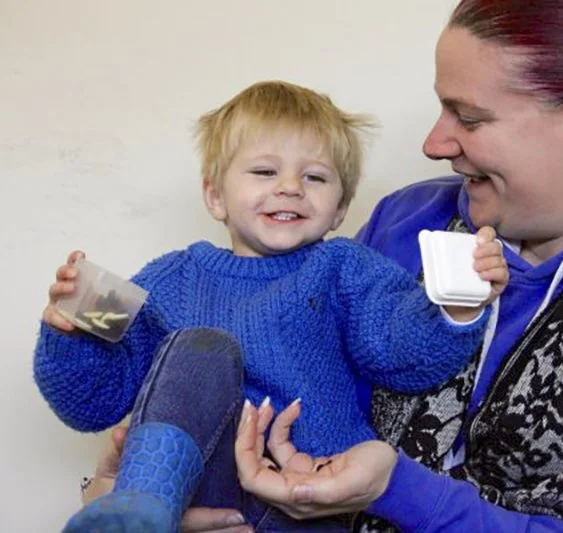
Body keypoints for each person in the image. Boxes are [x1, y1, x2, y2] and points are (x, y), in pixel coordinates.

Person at [84, 0, 563, 531]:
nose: (433, 142)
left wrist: (401, 491)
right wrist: (157, 488)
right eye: (440, 109)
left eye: (470, 117)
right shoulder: (406, 223)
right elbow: (274, 367)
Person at [35, 80, 509, 533]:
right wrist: (72, 334)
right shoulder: (171, 279)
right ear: (215, 196)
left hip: (308, 493)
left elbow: (399, 351)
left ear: (340, 208)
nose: (290, 187)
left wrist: (457, 307)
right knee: (200, 347)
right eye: (265, 171)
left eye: (314, 176)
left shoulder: (342, 267)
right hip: (198, 494)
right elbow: (94, 403)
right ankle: (142, 505)